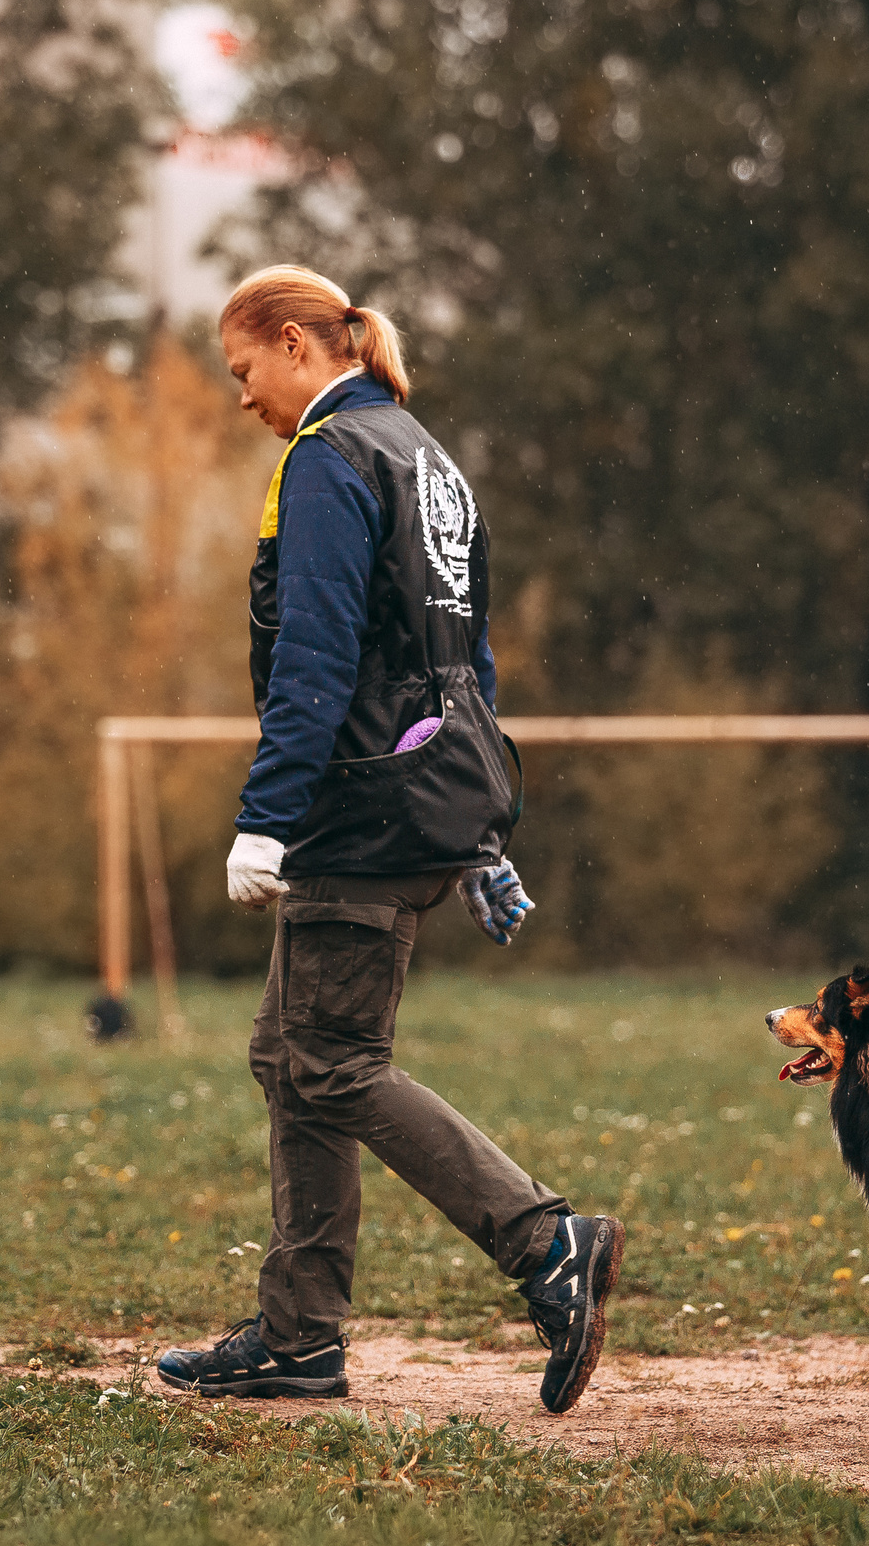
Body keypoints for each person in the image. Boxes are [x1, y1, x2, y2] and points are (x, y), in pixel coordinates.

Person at [156, 265, 618, 1414]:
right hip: (424, 786)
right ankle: (298, 1338)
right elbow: (462, 658)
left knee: (331, 1060)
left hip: (356, 802)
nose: (243, 397)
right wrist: (473, 819)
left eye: (244, 369)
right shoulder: (427, 456)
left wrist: (267, 816)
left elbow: (312, 658)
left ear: (296, 345)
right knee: (291, 1055)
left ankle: (543, 1241)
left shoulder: (327, 459)